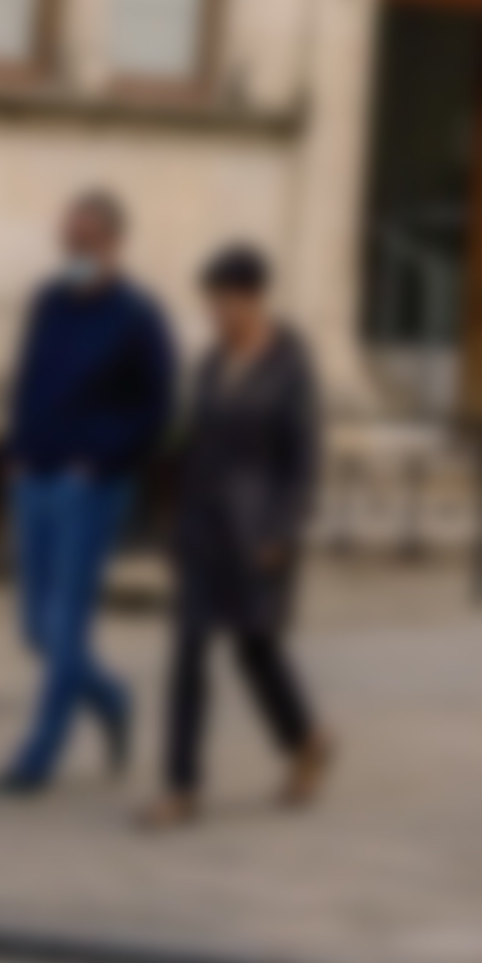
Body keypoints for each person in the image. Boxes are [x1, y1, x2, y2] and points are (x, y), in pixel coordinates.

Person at [0, 190, 175, 795]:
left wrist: (99, 460)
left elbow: (158, 409)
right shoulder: (48, 301)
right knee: (35, 629)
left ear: (113, 245)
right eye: (67, 241)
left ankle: (36, 758)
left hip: (89, 488)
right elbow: (27, 378)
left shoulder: (138, 316)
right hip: (32, 477)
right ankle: (113, 698)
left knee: (66, 624)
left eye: (85, 242)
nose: (73, 251)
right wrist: (15, 452)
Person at [145, 245, 331, 826]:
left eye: (226, 302)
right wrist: (173, 525)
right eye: (212, 303)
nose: (218, 314)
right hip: (201, 528)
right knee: (188, 653)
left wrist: (282, 529)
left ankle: (305, 740)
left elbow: (303, 460)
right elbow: (191, 446)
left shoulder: (290, 366)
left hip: (257, 532)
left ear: (253, 300)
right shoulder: (208, 363)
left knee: (256, 652)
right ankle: (181, 787)